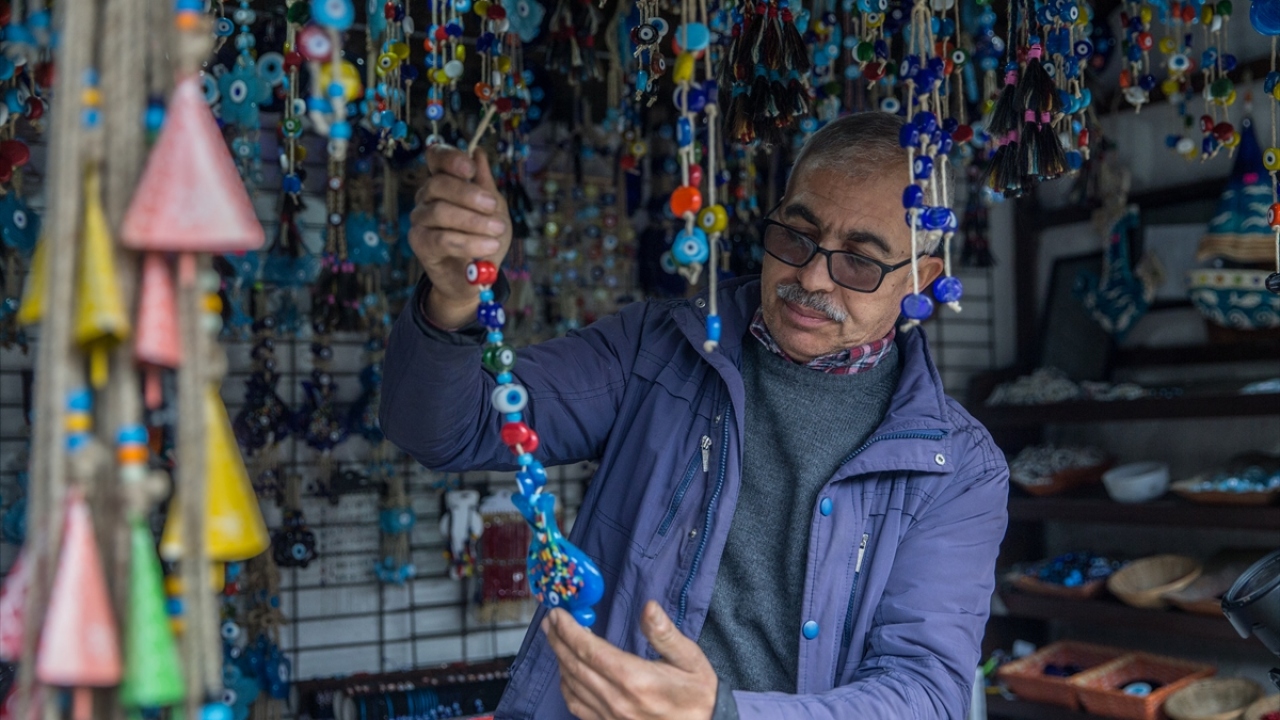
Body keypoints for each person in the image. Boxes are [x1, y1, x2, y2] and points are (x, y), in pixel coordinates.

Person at [382, 111, 1009, 720]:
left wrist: (721, 713)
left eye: (859, 261)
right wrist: (454, 300)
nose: (814, 276)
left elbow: (926, 695)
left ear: (921, 279)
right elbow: (448, 429)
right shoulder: (657, 351)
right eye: (796, 235)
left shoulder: (956, 467)